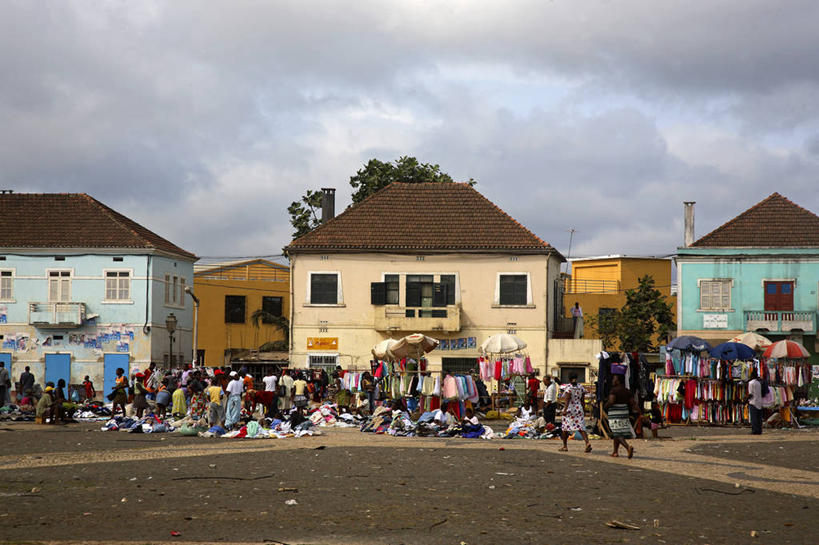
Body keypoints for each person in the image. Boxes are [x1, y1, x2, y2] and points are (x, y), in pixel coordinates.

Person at [559, 373, 592, 453]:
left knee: (565, 428)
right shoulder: (581, 387)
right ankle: (587, 442)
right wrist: (583, 410)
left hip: (570, 409)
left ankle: (565, 446)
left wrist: (564, 410)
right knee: (581, 427)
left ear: (569, 379)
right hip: (578, 408)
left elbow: (567, 400)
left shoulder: (568, 388)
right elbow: (583, 400)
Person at [605, 374, 636, 458]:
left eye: (614, 379)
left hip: (615, 413)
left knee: (617, 433)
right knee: (618, 432)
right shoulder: (627, 391)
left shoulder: (614, 391)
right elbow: (632, 402)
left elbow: (611, 401)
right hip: (624, 412)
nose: (612, 381)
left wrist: (606, 405)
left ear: (618, 381)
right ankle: (615, 452)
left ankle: (627, 447)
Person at [748, 369, 763, 435]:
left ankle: (754, 430)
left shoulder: (751, 383)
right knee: (759, 418)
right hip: (759, 402)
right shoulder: (758, 383)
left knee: (754, 418)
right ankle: (759, 430)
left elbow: (751, 393)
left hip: (753, 402)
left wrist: (746, 399)